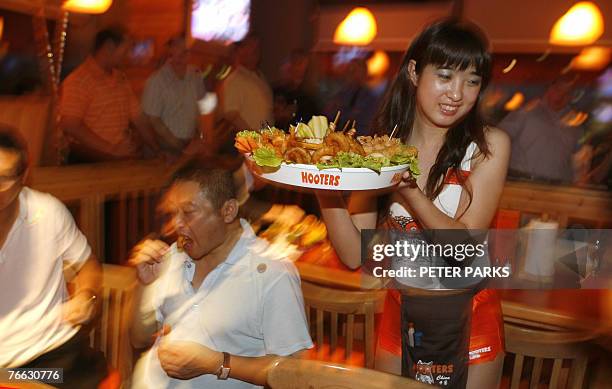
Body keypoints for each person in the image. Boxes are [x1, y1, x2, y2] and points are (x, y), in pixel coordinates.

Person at [317, 19, 510, 388]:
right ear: (414, 72)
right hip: (400, 312)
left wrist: (406, 188)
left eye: (472, 80)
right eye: (445, 75)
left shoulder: (488, 146)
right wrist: (319, 181)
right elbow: (356, 253)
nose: (457, 93)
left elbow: (462, 249)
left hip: (469, 318)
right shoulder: (382, 147)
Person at [129, 164, 313, 389]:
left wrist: (216, 363)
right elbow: (138, 338)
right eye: (173, 212)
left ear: (228, 211)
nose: (176, 224)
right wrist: (143, 285)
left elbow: (294, 372)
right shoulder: (173, 257)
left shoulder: (271, 273)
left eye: (188, 212)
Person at [0, 127, 107, 387]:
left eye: (4, 178)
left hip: (49, 358)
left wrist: (86, 296)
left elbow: (88, 265)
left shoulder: (47, 212)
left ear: (24, 176)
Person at [59, 27, 159, 163]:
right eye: (125, 49)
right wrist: (111, 150)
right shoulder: (79, 80)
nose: (128, 55)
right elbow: (70, 125)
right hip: (89, 163)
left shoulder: (121, 79)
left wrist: (158, 150)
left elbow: (139, 118)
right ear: (109, 47)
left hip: (119, 161)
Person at [498, 75, 582, 183]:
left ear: (571, 97)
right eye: (558, 90)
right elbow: (498, 140)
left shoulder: (574, 124)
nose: (561, 96)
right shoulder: (525, 113)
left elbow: (577, 160)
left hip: (559, 188)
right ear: (548, 89)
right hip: (522, 182)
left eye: (567, 93)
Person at [141, 36, 206, 155]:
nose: (179, 58)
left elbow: (199, 110)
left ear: (189, 54)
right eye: (174, 54)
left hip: (189, 145)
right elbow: (152, 121)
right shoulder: (156, 81)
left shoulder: (195, 75)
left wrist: (199, 138)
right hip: (164, 150)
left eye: (184, 53)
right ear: (168, 54)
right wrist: (178, 145)